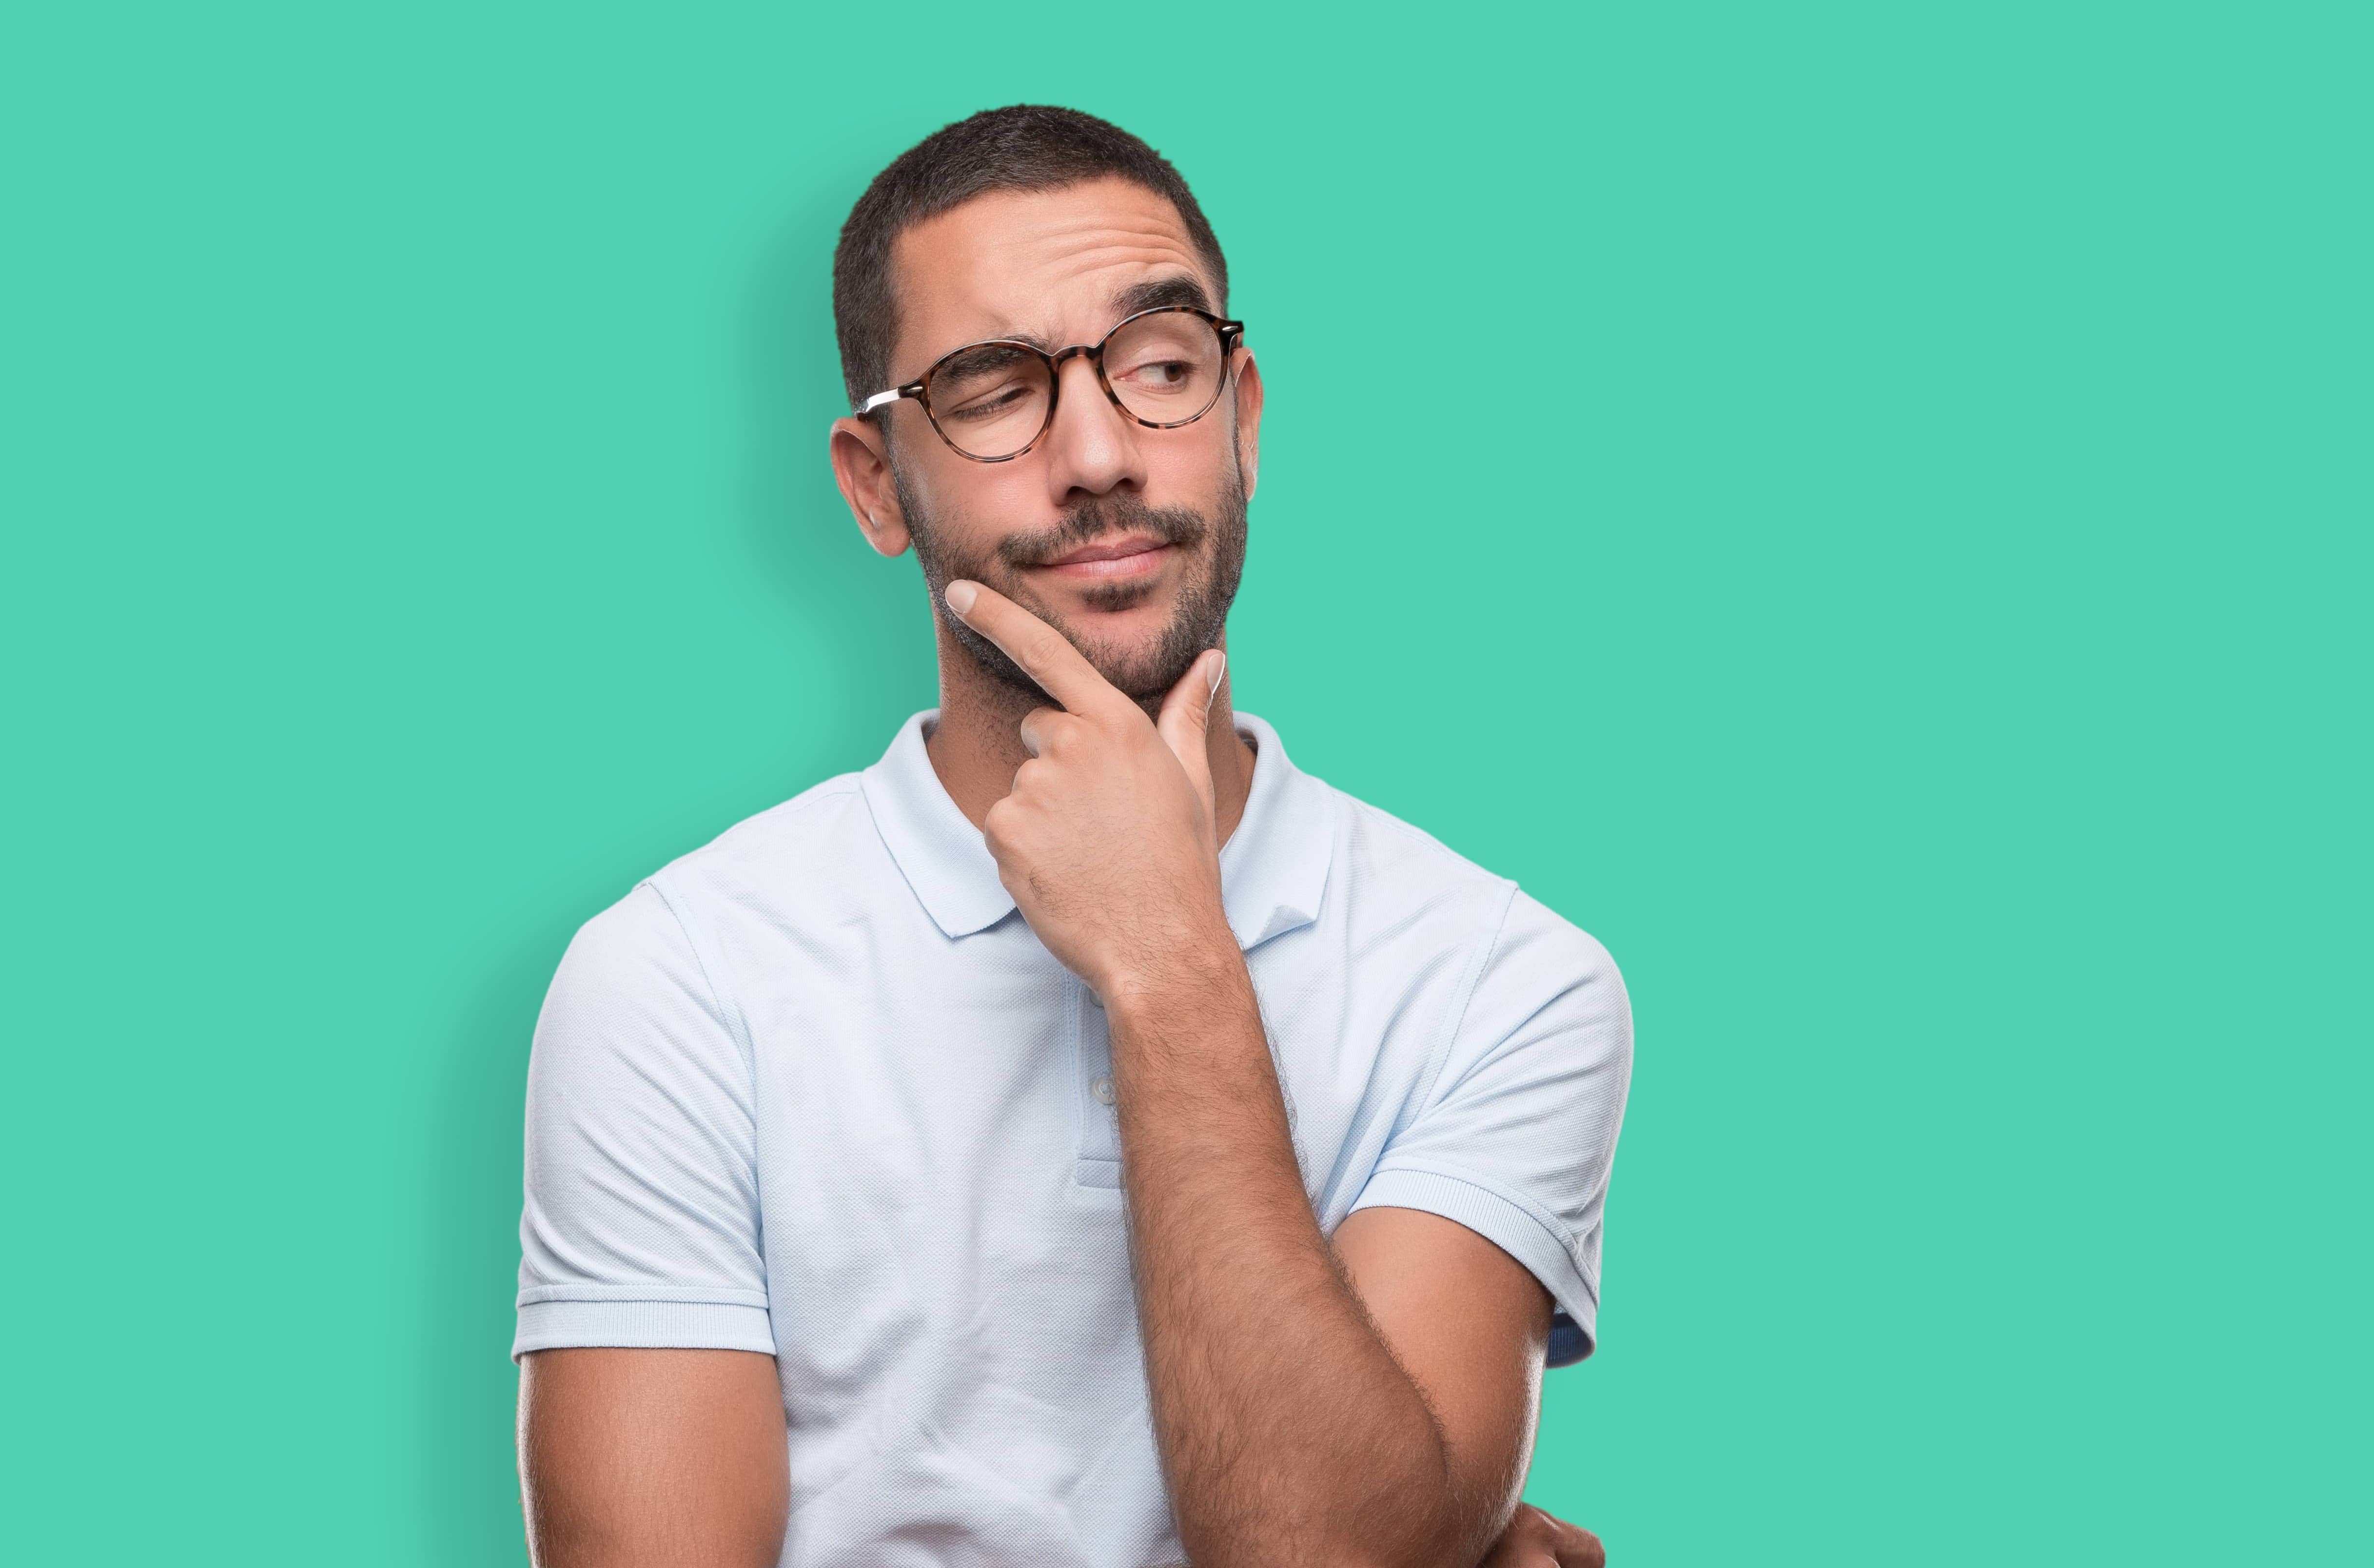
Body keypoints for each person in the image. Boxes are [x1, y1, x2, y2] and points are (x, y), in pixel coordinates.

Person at [510, 105, 1632, 1568]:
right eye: (993, 391)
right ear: (875, 485)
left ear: (1242, 416)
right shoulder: (678, 979)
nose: (1101, 454)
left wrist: (1171, 966)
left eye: (1162, 368)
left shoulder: (1509, 982)